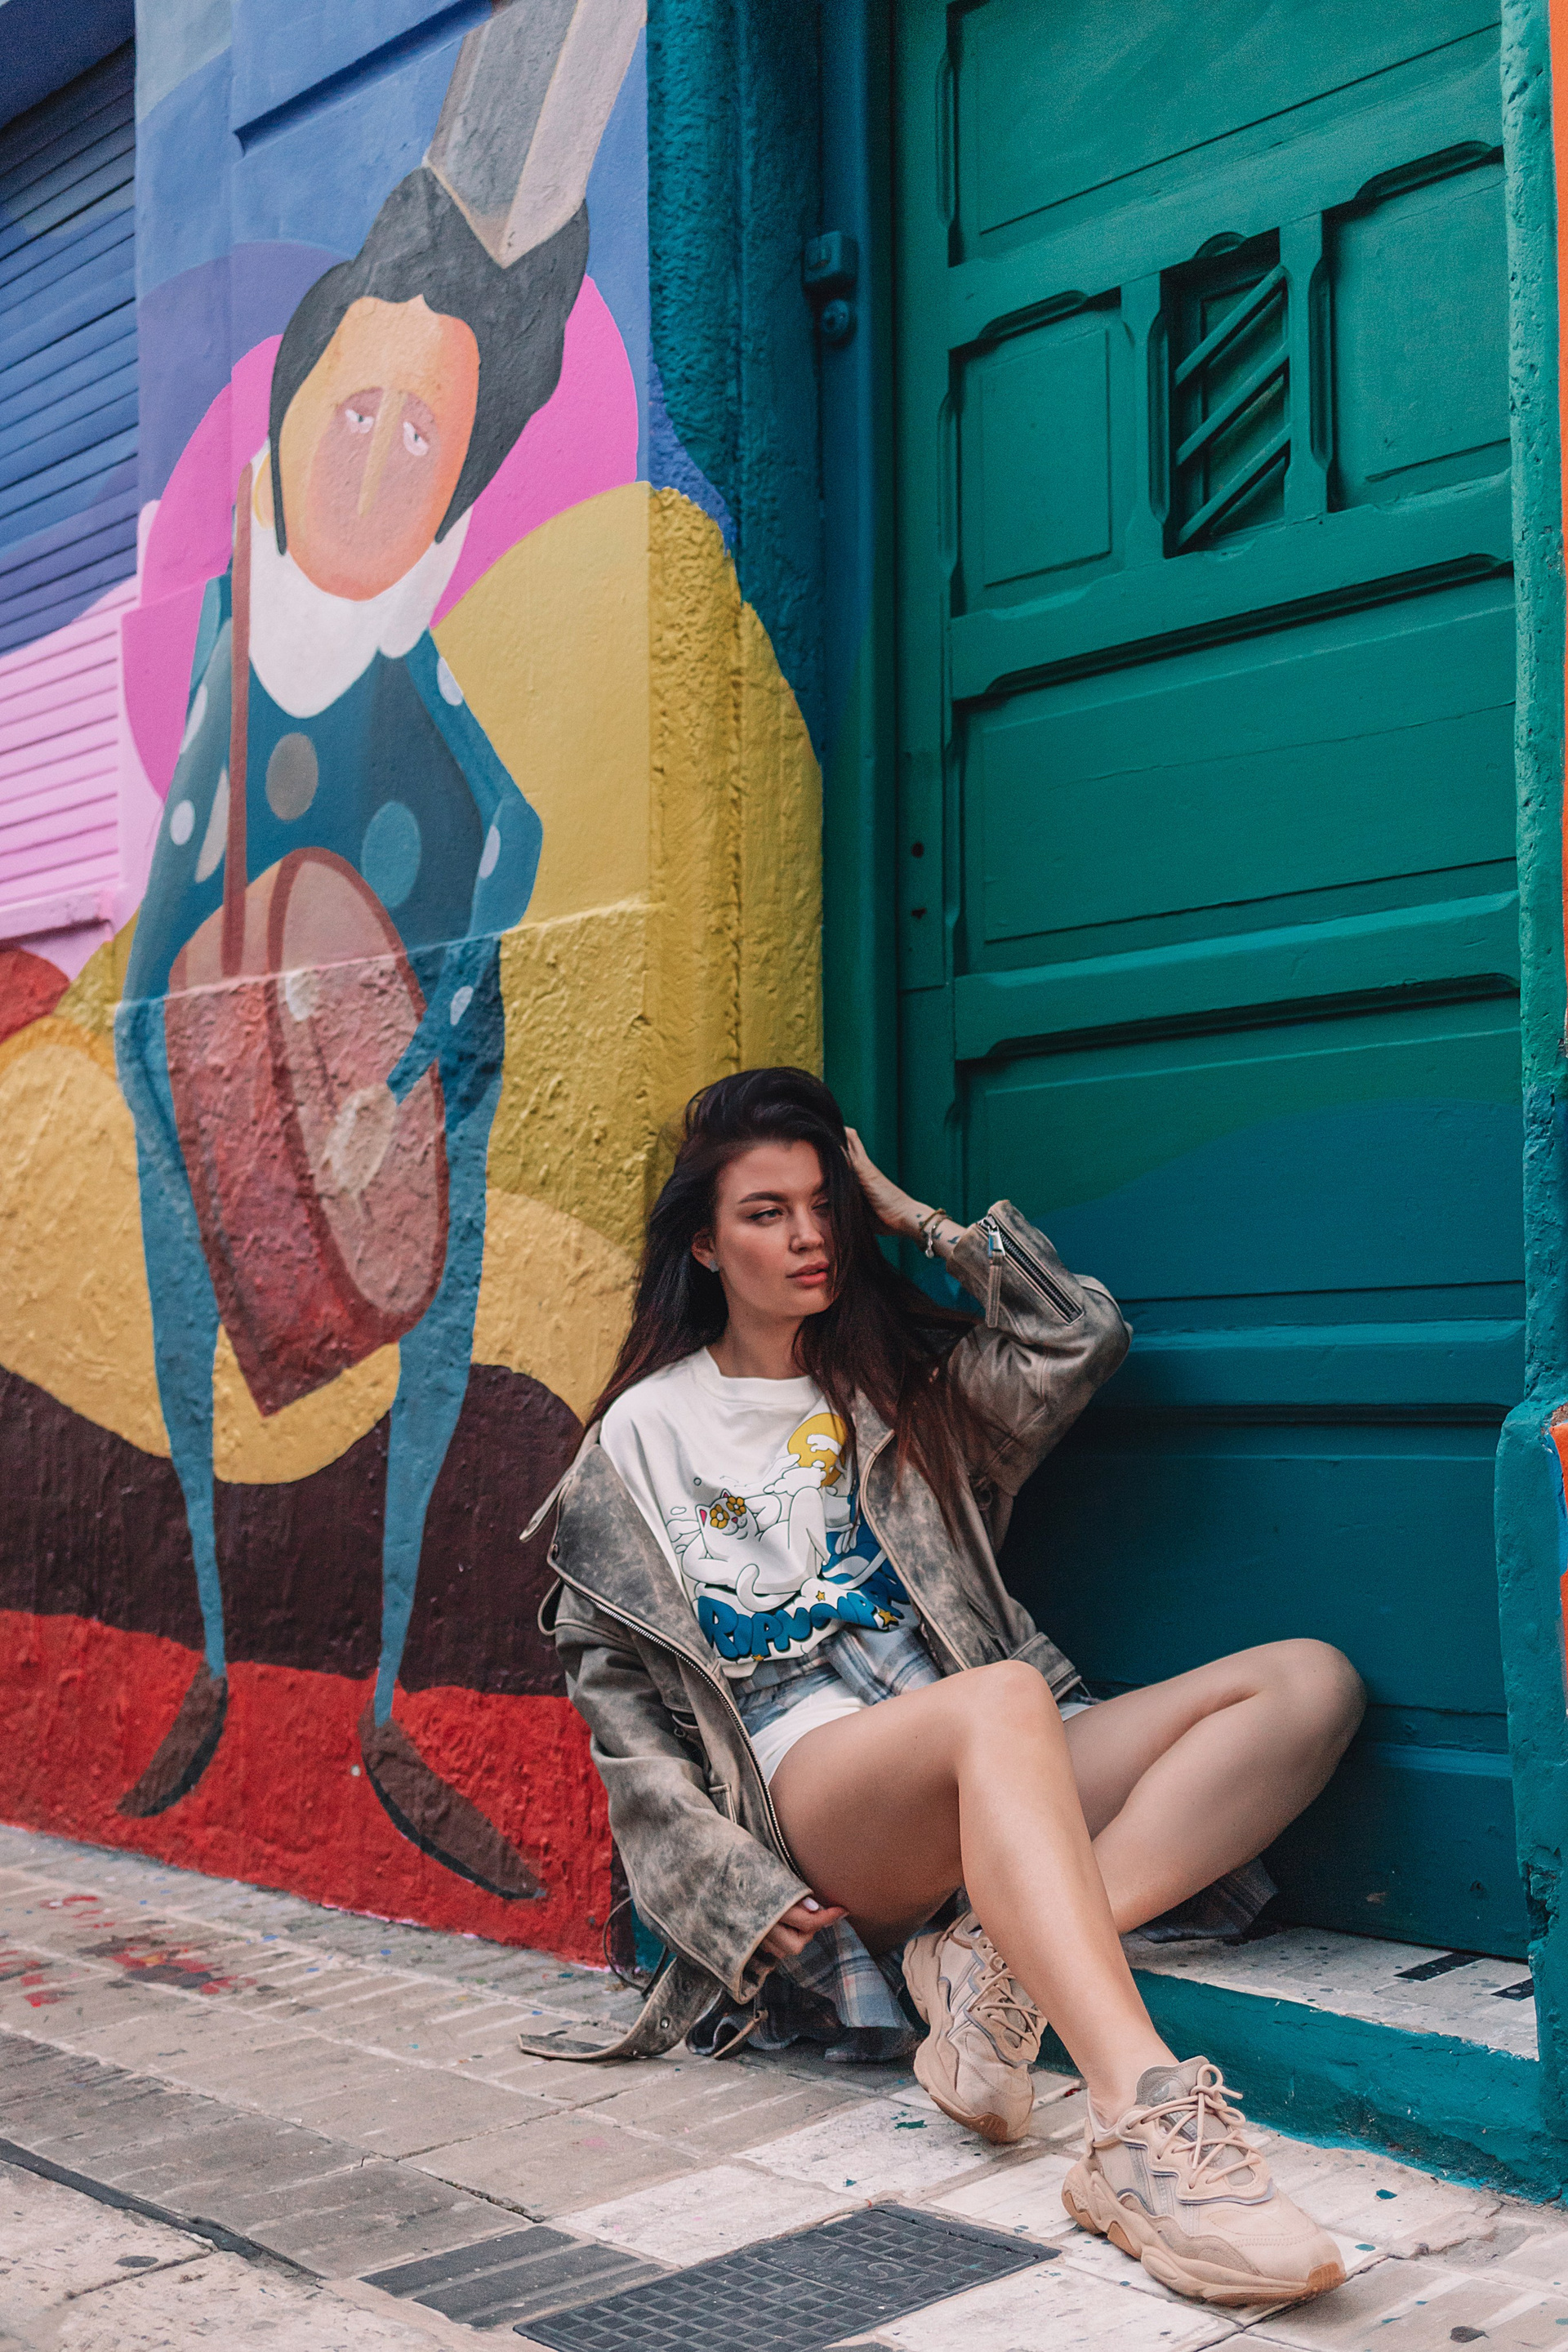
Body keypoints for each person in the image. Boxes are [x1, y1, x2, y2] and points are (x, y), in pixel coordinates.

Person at [528, 1066, 1365, 2310]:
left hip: (992, 1751)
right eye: (766, 1213)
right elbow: (626, 1721)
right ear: (703, 1244)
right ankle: (1139, 2126)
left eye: (823, 1205)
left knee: (1306, 1683)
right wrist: (732, 1891)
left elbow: (1080, 1337)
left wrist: (919, 1220)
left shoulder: (900, 1390)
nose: (808, 1235)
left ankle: (994, 1964)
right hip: (821, 1788)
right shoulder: (638, 1439)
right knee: (1005, 1698)